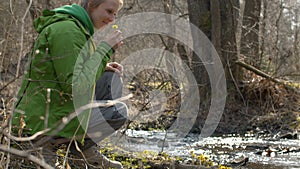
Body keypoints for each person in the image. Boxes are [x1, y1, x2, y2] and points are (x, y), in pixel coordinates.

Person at [12, 0, 127, 168]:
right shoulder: (67, 31)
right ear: (92, 4)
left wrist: (102, 65)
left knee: (109, 79)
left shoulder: (78, 29)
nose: (112, 19)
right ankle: (44, 145)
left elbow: (73, 72)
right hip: (39, 123)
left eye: (115, 14)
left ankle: (80, 150)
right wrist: (104, 50)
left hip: (56, 110)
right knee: (118, 112)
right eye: (109, 11)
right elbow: (74, 86)